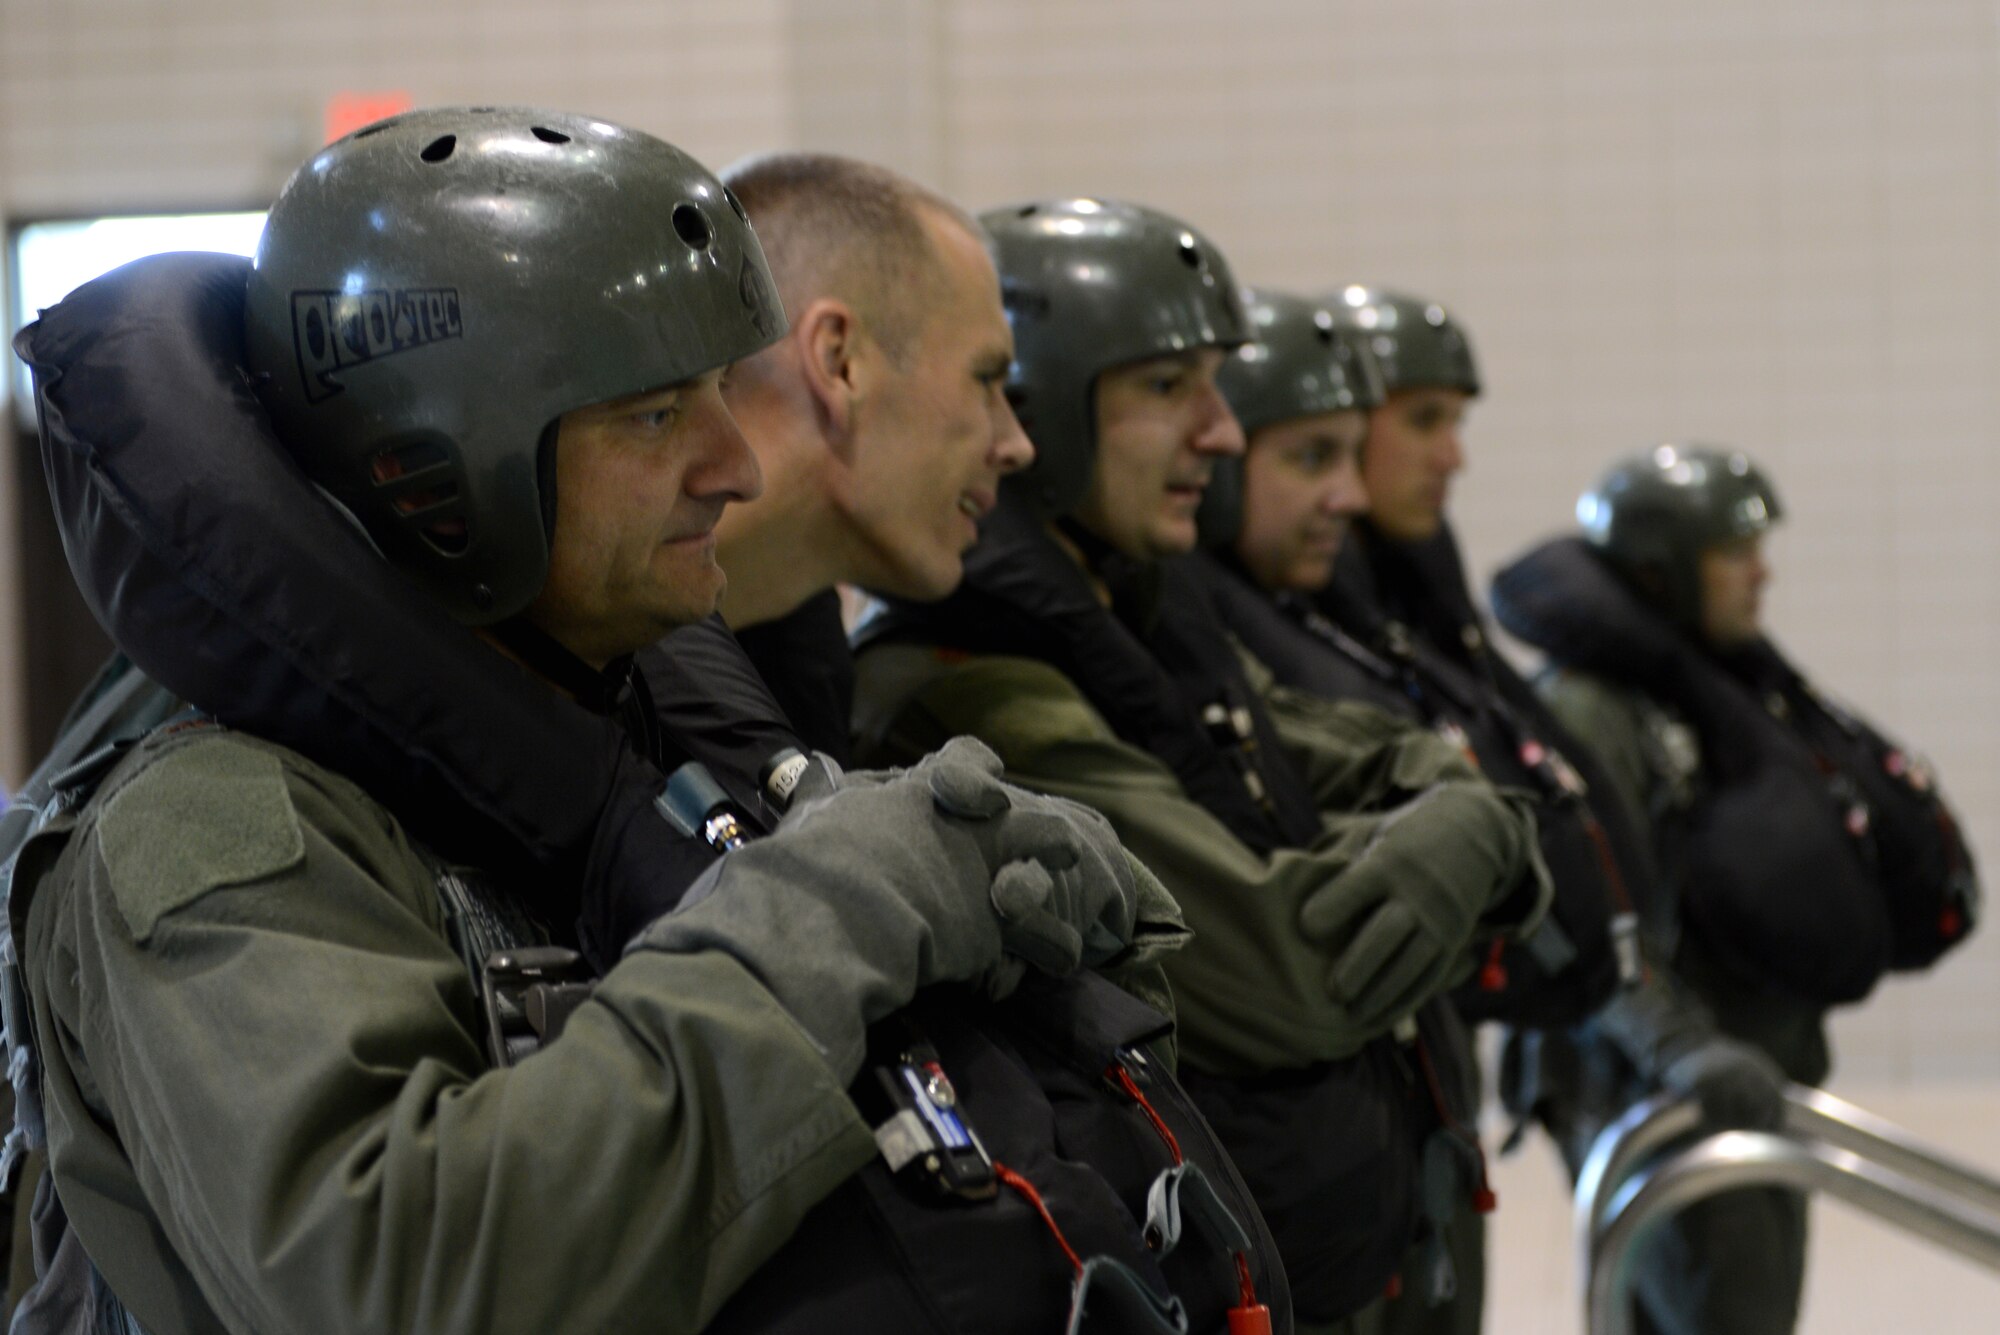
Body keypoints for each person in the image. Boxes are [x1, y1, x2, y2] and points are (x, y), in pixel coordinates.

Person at [2, 108, 1156, 1335]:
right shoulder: (212, 827)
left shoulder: (629, 729)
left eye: (719, 391)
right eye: (653, 413)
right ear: (434, 465)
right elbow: (403, 1278)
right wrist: (848, 903)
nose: (735, 466)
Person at [849, 198, 1551, 1335]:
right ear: (1039, 400)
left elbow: (1369, 750)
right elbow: (1286, 969)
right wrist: (1465, 836)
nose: (1222, 434)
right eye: (1169, 387)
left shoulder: (1141, 616)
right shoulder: (972, 689)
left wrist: (1471, 820)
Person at [645, 149, 1292, 1332]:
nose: (1014, 442)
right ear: (839, 361)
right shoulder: (619, 704)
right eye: (988, 382)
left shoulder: (778, 685)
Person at [1490, 443, 1981, 1335]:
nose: (1762, 572)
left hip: (1744, 1071)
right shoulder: (1592, 710)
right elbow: (1584, 918)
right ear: (1662, 569)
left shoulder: (1717, 685)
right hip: (1658, 1083)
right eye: (1735, 552)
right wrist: (1684, 1051)